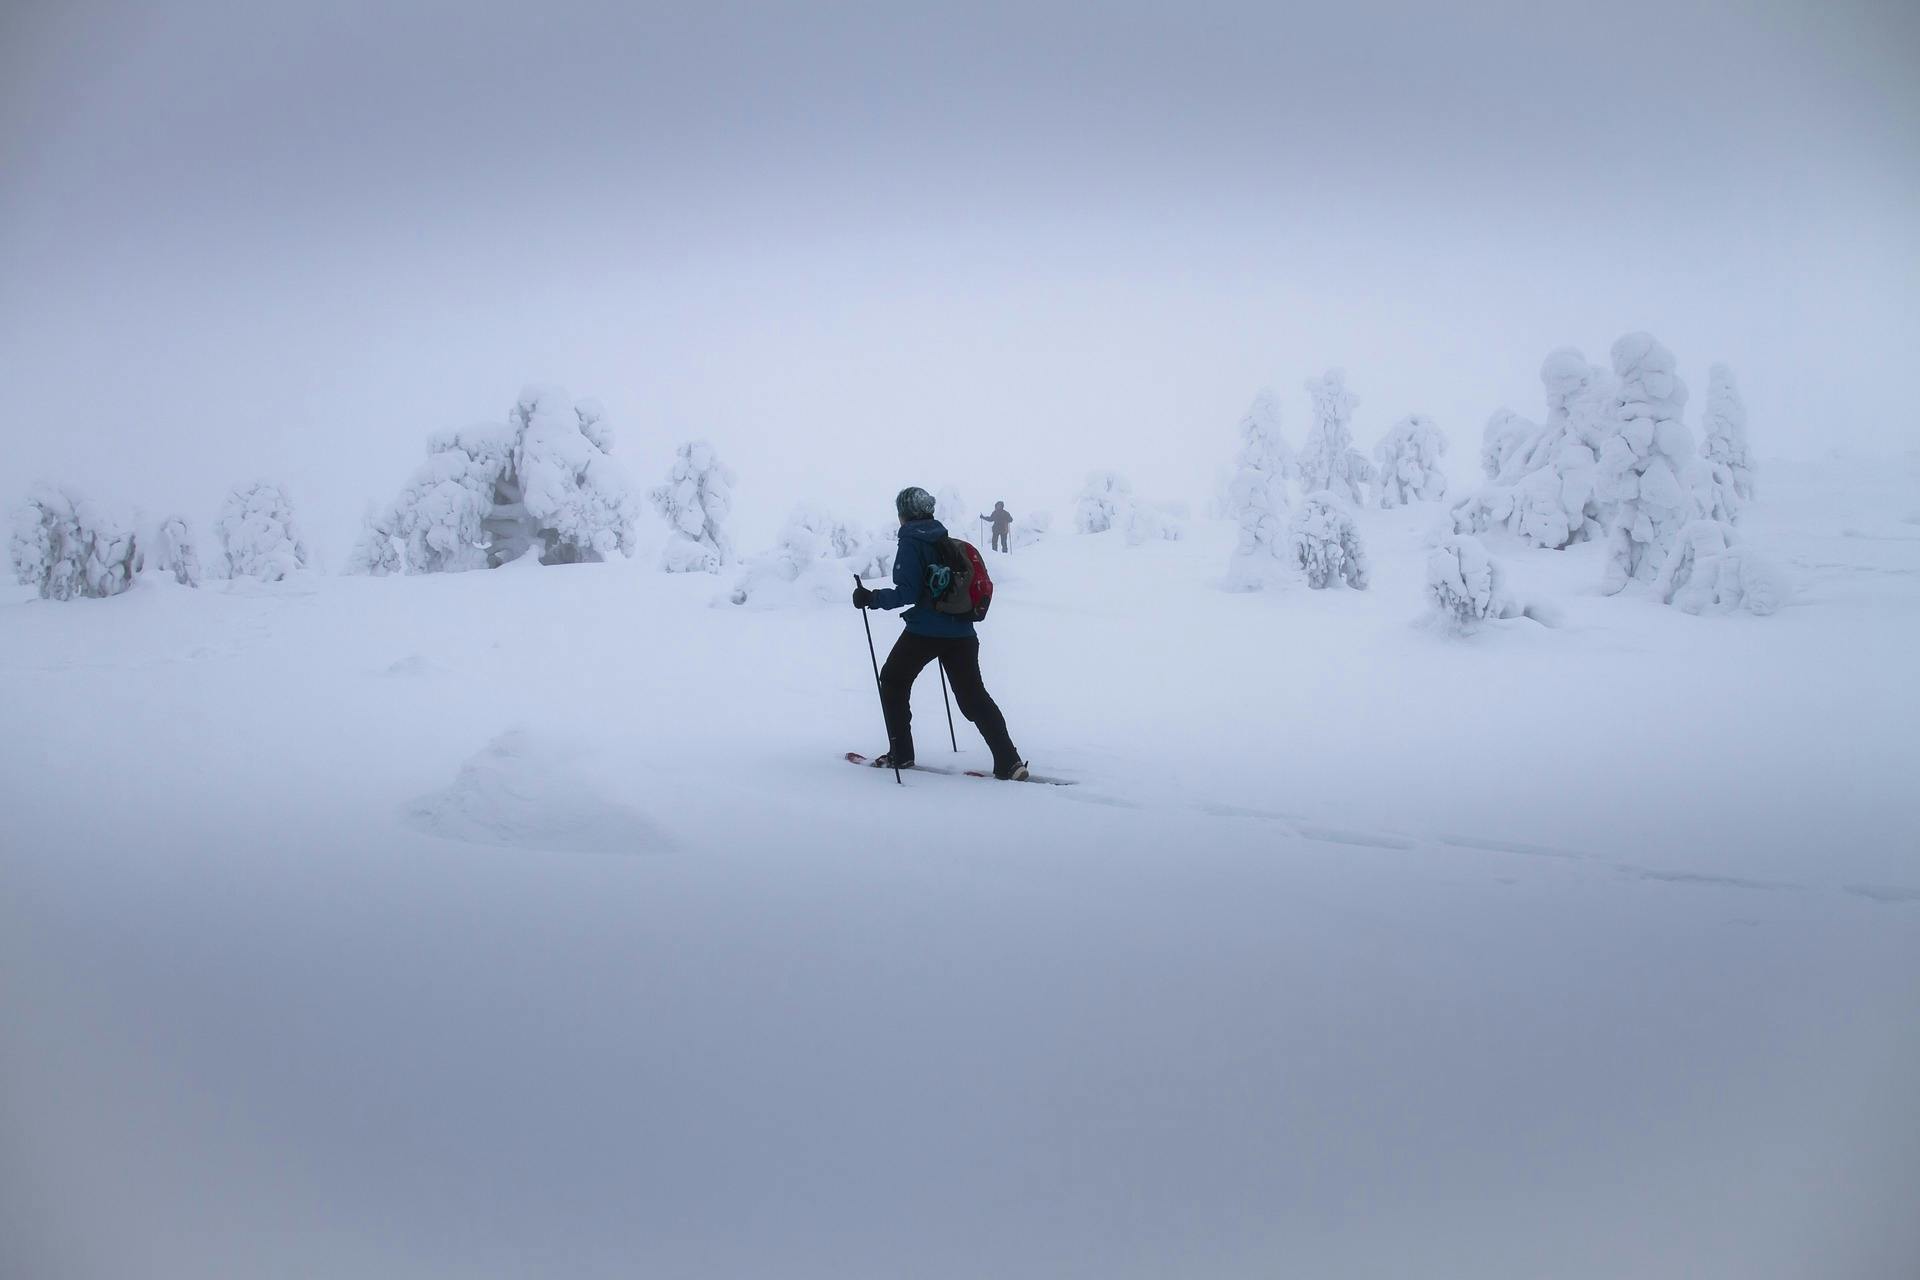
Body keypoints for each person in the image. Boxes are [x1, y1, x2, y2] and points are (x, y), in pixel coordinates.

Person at [853, 486, 1028, 780]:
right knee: (973, 697)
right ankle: (1009, 761)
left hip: (924, 632)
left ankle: (902, 754)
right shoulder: (944, 538)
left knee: (894, 681)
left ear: (904, 514)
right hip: (962, 632)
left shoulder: (911, 541)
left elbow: (907, 593)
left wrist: (871, 599)